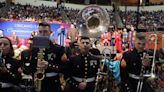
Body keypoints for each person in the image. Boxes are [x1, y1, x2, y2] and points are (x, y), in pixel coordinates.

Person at [23, 22, 68, 92]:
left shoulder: (58, 49)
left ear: (50, 32)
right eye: (40, 32)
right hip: (37, 83)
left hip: (53, 84)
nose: (43, 34)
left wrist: (49, 65)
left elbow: (65, 68)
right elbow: (30, 67)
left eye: (45, 32)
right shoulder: (34, 49)